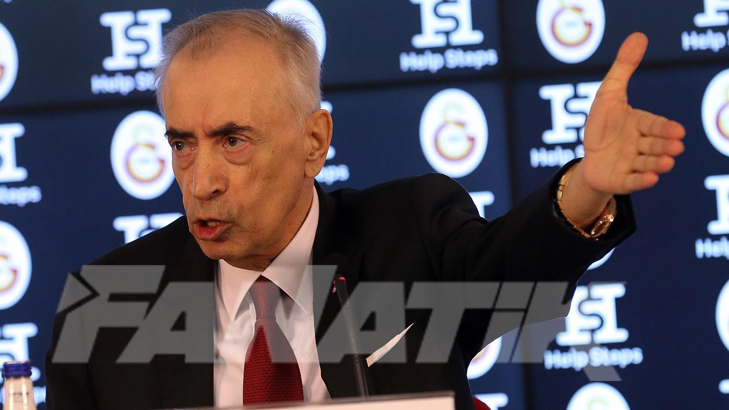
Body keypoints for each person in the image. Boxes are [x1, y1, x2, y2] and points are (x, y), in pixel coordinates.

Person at [46, 9, 685, 410]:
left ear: (314, 142)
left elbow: (515, 273)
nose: (201, 181)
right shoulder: (104, 306)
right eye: (182, 143)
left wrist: (588, 185)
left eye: (233, 141)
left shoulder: (408, 234)